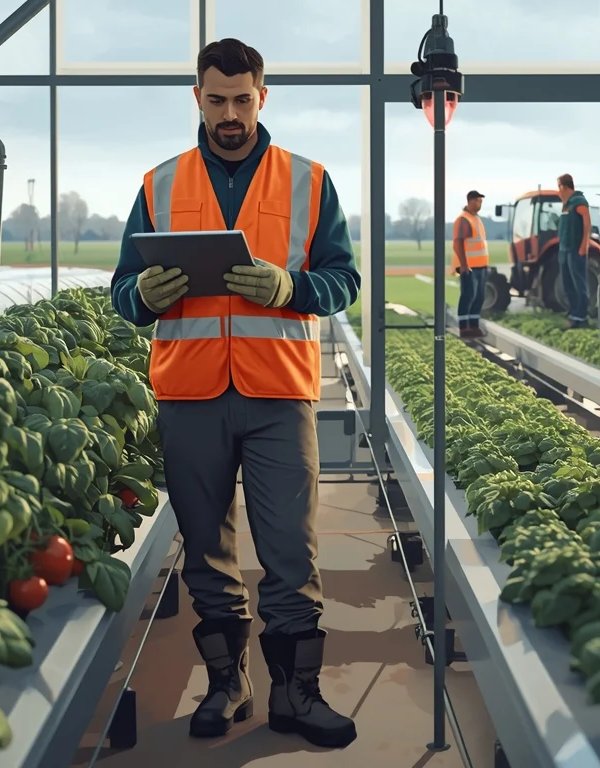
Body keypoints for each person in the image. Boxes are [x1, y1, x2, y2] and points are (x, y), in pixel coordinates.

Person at [109, 38, 361, 750]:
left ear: (262, 95)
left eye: (242, 99)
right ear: (197, 97)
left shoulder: (309, 180)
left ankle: (297, 694)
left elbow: (344, 277)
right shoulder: (160, 183)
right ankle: (228, 685)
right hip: (189, 394)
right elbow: (123, 291)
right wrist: (143, 294)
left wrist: (293, 288)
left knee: (290, 549)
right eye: (216, 100)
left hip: (279, 392)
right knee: (206, 554)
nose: (230, 114)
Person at [452, 189, 490, 338]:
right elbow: (458, 243)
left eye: (481, 201)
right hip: (469, 266)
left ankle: (473, 326)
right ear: (470, 201)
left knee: (479, 296)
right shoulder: (464, 220)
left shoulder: (476, 219)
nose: (479, 204)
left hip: (481, 265)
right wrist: (463, 264)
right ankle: (464, 327)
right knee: (468, 295)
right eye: (477, 201)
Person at [556, 173, 592, 328]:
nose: (558, 191)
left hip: (575, 250)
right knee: (567, 284)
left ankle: (581, 317)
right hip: (564, 249)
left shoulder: (579, 201)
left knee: (579, 284)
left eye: (559, 187)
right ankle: (573, 314)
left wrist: (584, 245)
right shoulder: (566, 204)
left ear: (564, 186)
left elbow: (587, 224)